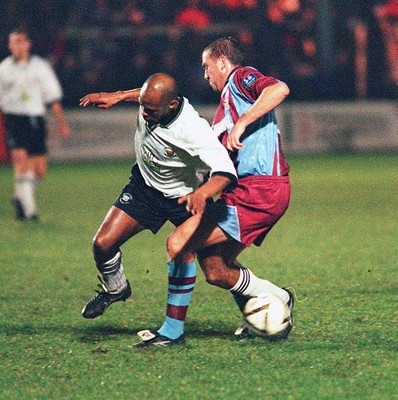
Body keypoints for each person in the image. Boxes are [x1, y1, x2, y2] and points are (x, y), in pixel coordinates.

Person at [135, 36, 294, 347]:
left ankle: (171, 332)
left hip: (260, 190)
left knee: (179, 244)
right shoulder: (224, 109)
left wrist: (243, 123)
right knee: (216, 269)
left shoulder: (240, 78)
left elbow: (280, 89)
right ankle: (278, 298)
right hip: (247, 192)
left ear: (223, 62)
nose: (205, 74)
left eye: (207, 67)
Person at [79, 73, 237, 346]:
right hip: (145, 189)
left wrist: (201, 194)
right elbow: (145, 95)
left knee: (216, 271)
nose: (143, 113)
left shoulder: (194, 130)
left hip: (185, 199)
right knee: (102, 244)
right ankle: (115, 288)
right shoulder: (153, 102)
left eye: (150, 110)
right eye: (142, 106)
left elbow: (225, 172)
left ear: (172, 105)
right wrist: (118, 95)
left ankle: (269, 299)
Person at [0, 29, 70, 220]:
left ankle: (19, 195)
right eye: (13, 42)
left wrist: (62, 124)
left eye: (20, 41)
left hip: (36, 120)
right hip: (14, 119)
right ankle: (30, 211)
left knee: (39, 170)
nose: (17, 45)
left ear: (28, 44)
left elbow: (53, 98)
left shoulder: (40, 67)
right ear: (9, 45)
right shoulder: (4, 69)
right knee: (21, 161)